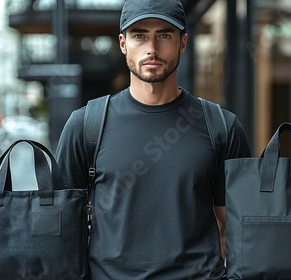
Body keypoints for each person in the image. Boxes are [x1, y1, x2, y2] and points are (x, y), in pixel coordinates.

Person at [55, 0, 251, 278]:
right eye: (139, 35)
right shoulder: (85, 125)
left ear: (183, 42)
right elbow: (62, 228)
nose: (152, 49)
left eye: (164, 35)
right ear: (123, 43)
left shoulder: (221, 126)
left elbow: (232, 229)